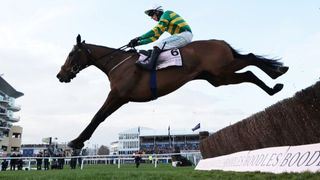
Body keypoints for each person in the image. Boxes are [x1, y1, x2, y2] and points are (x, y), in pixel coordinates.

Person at [128, 5, 193, 70]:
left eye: (151, 14)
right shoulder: (164, 24)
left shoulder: (167, 14)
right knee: (156, 48)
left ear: (157, 12)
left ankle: (150, 65)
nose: (151, 17)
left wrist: (138, 38)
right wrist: (138, 43)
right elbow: (154, 37)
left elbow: (156, 29)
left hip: (184, 35)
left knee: (158, 45)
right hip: (182, 36)